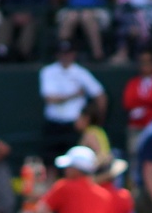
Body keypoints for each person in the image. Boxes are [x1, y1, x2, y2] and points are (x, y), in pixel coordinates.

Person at [39, 40, 107, 169]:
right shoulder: (48, 71)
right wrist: (74, 94)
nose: (65, 57)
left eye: (68, 53)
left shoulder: (81, 73)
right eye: (62, 53)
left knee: (74, 165)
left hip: (73, 127)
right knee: (49, 164)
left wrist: (98, 120)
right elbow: (49, 98)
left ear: (73, 54)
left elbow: (100, 95)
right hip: (53, 125)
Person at [122, 47, 152, 156]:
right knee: (135, 156)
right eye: (143, 62)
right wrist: (150, 103)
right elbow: (128, 102)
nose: (146, 65)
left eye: (149, 61)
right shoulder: (133, 83)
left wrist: (142, 102)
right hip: (137, 127)